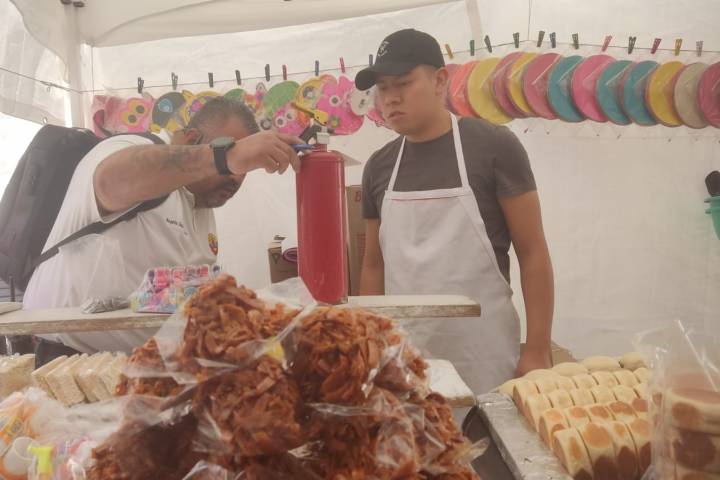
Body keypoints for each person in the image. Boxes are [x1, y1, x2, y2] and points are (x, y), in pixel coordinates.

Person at [23, 97, 302, 363]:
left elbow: (167, 296)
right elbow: (110, 181)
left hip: (144, 367)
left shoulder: (202, 207)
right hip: (71, 363)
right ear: (191, 139)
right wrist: (224, 157)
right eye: (231, 158)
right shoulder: (132, 147)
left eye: (244, 169)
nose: (237, 177)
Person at [356, 29, 555, 393]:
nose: (390, 98)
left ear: (439, 80)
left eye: (403, 83)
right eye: (382, 88)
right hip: (405, 359)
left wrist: (537, 349)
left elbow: (532, 251)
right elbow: (373, 265)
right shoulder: (379, 166)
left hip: (485, 356)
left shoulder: (494, 147)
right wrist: (371, 348)